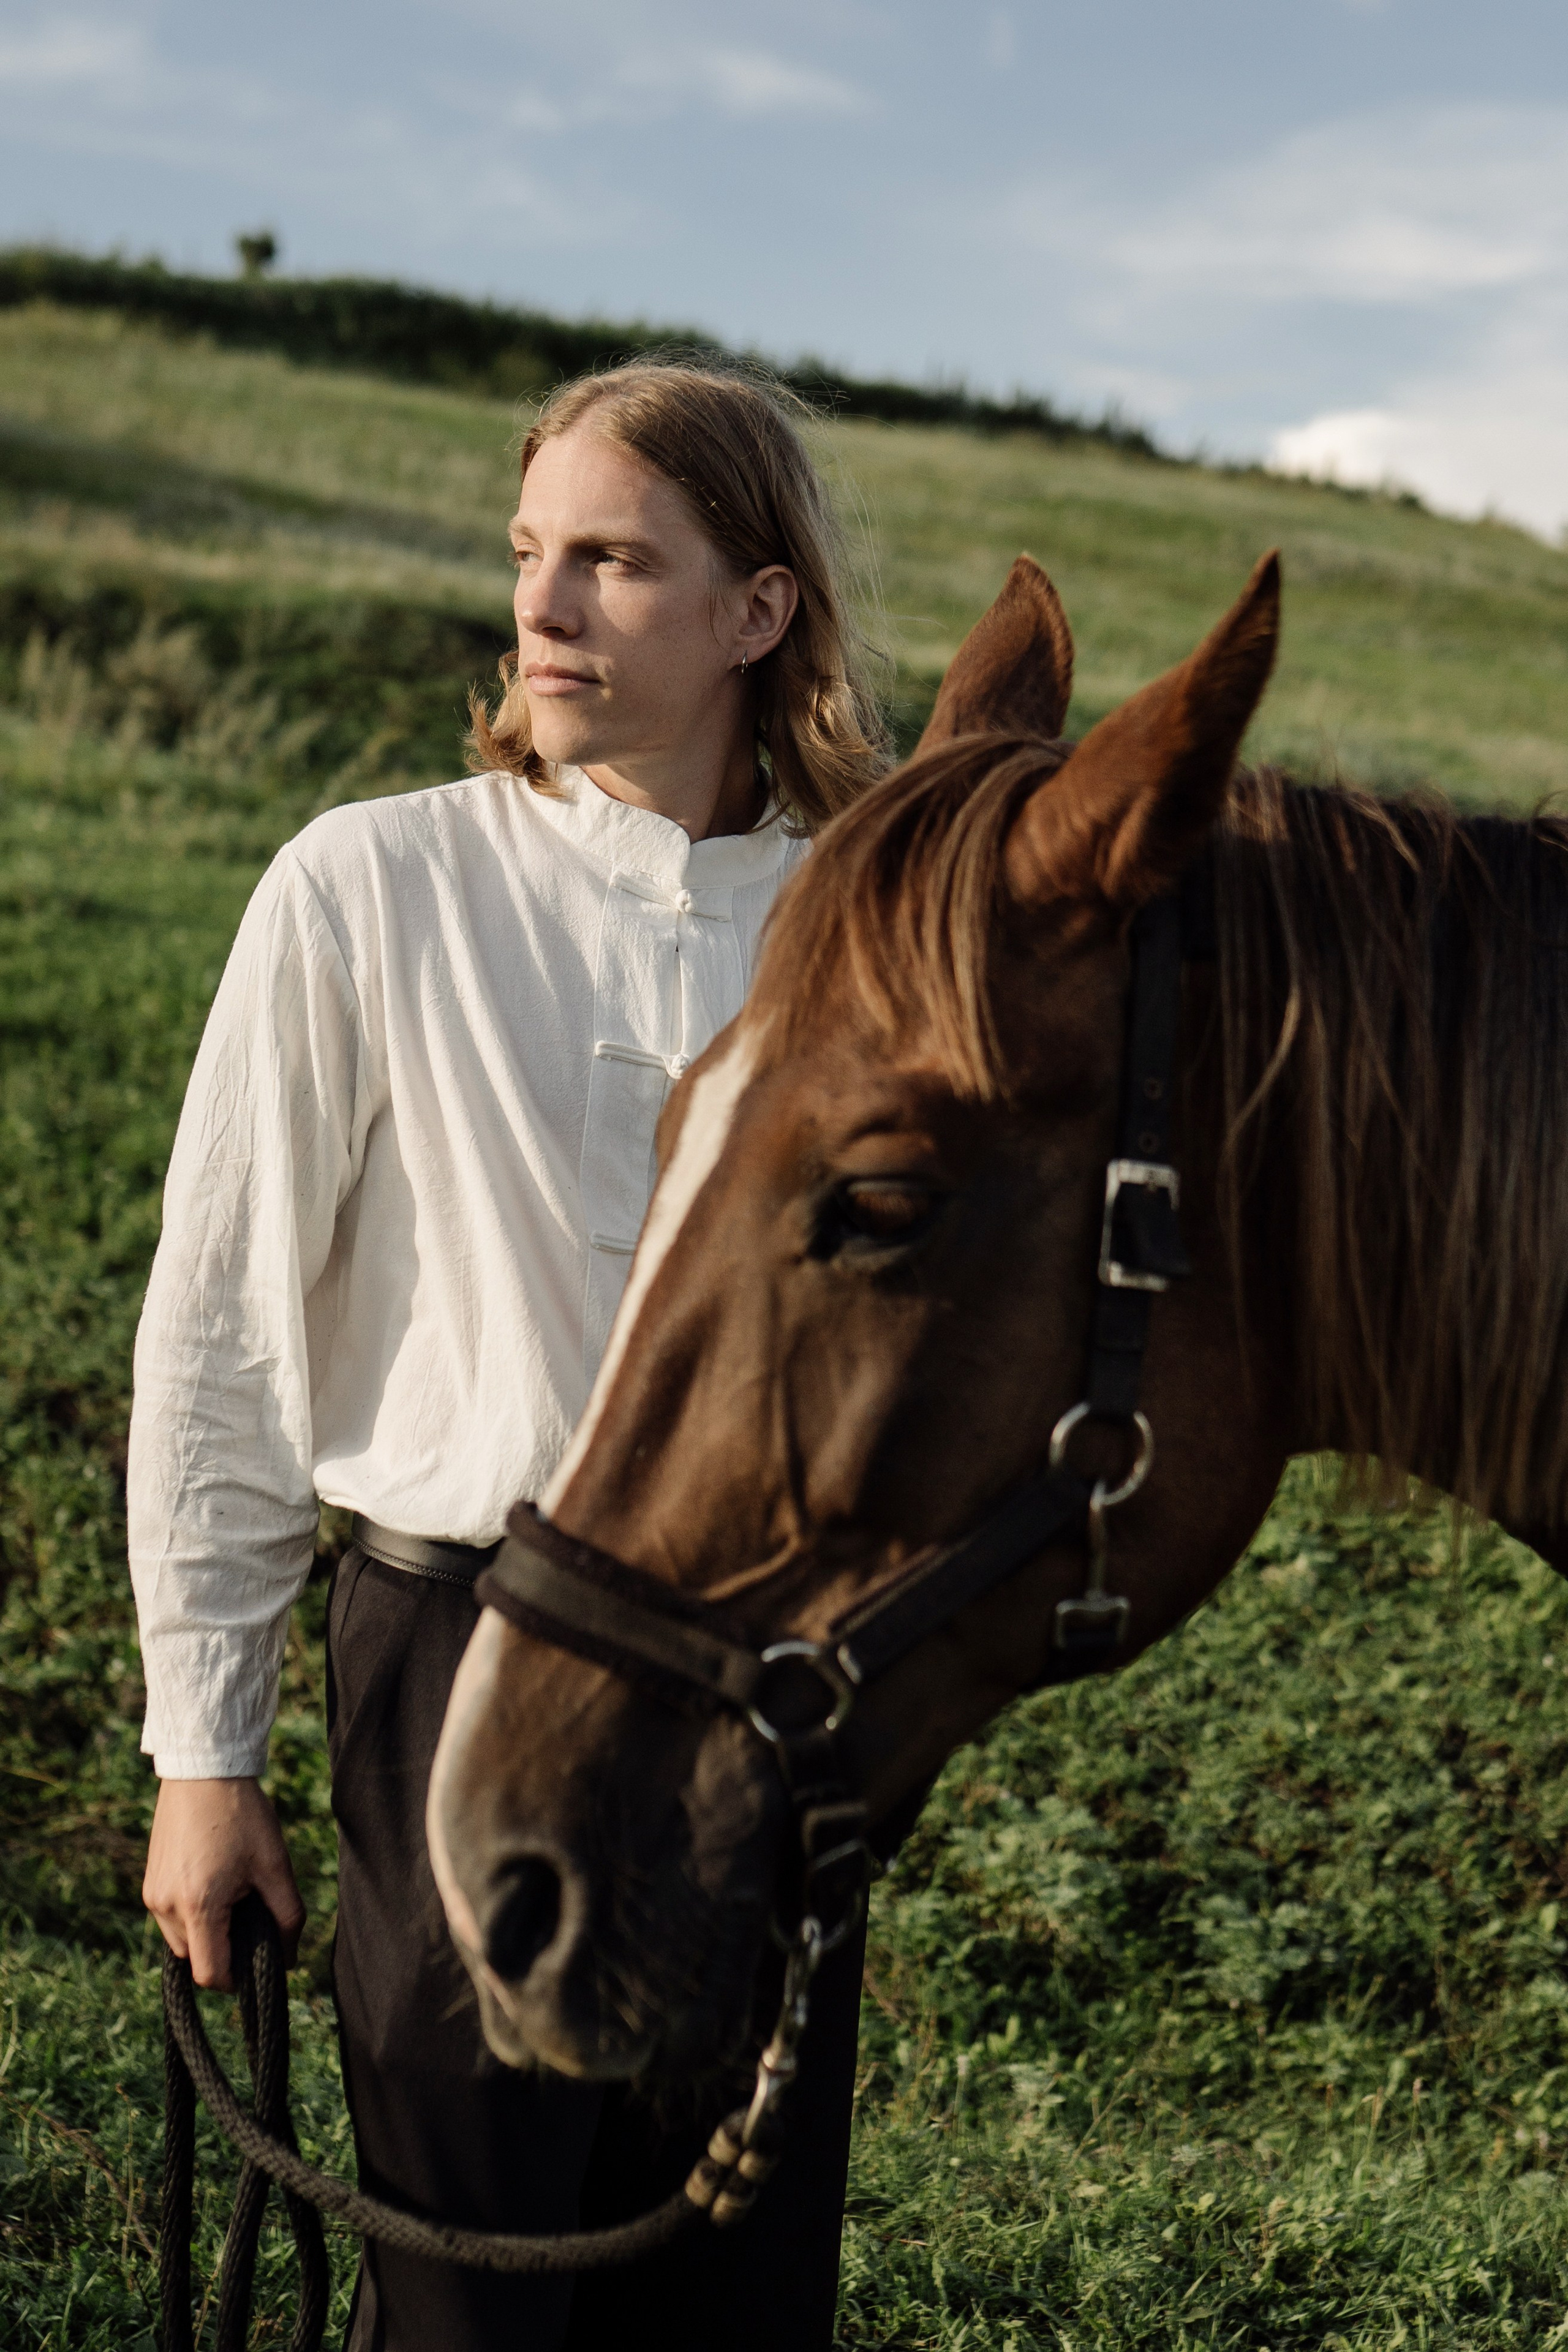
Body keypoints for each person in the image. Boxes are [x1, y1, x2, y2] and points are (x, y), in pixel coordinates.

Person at [130, 360, 891, 2351]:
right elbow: (218, 1340)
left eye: (616, 560)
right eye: (531, 554)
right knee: (467, 2308)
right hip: (457, 1668)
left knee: (732, 2301)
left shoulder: (856, 933)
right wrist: (205, 1757)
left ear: (760, 608)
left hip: (761, 1700)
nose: (543, 607)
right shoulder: (371, 888)